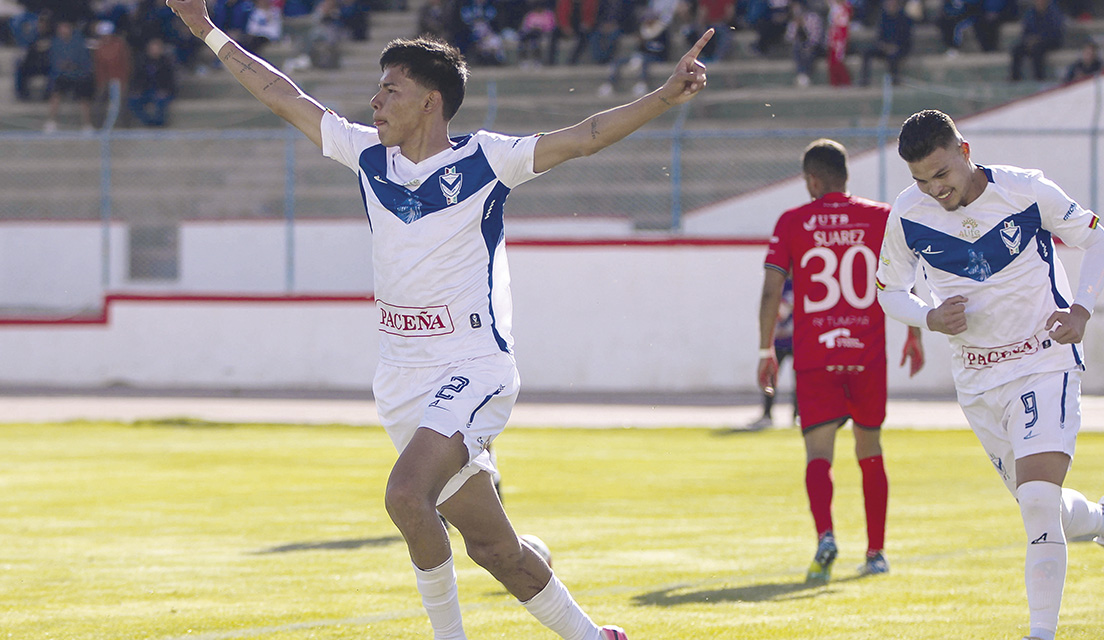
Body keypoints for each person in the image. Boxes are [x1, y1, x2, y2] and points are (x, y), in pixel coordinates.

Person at [166, 0, 713, 636]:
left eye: (390, 89)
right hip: (400, 379)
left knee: (405, 495)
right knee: (499, 552)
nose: (375, 101)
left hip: (473, 366)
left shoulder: (488, 160)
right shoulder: (369, 157)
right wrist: (206, 30)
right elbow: (282, 95)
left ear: (430, 100)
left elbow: (585, 136)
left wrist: (663, 97)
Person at [875, 110, 1104, 640]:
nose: (934, 189)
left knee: (1039, 502)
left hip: (1043, 359)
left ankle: (1040, 632)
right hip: (977, 378)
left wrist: (1082, 311)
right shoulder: (908, 214)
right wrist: (928, 316)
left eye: (941, 174)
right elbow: (888, 291)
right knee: (1042, 506)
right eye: (920, 180)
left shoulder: (1025, 191)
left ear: (965, 151)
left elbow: (1100, 242)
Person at [757, 139, 925, 583]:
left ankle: (826, 537)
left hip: (816, 357)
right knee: (870, 450)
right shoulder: (881, 216)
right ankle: (875, 553)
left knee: (819, 454)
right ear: (845, 175)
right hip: (865, 354)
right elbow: (903, 277)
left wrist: (766, 349)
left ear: (812, 180)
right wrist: (914, 332)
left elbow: (772, 290)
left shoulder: (793, 221)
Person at [745, 277, 794, 430]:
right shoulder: (778, 283)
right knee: (770, 377)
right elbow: (770, 307)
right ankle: (767, 413)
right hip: (778, 341)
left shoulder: (802, 283)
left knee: (800, 380)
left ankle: (797, 414)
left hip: (796, 340)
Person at [45, 20, 96, 133]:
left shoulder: (80, 41)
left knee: (84, 99)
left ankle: (87, 125)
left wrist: (74, 65)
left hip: (79, 76)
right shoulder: (55, 42)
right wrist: (62, 66)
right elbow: (53, 61)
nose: (62, 30)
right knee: (55, 94)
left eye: (65, 28)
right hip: (62, 75)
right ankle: (51, 122)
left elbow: (85, 61)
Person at [858, 0, 912, 87]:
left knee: (893, 57)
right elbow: (880, 37)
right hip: (885, 47)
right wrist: (884, 46)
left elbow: (906, 39)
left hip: (899, 48)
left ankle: (894, 81)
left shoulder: (904, 19)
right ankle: (864, 80)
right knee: (866, 52)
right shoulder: (884, 18)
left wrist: (895, 47)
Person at [1009, 0, 1063, 82]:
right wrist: (1028, 39)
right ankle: (1015, 78)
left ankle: (1039, 78)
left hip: (1049, 41)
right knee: (1017, 50)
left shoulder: (1053, 13)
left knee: (1037, 50)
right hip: (1031, 41)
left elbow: (1055, 32)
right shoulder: (1030, 13)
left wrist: (1039, 38)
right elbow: (1025, 31)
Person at [128, 37, 177, 126]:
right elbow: (137, 78)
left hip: (162, 91)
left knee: (160, 102)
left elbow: (170, 81)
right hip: (145, 91)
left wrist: (165, 91)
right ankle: (148, 122)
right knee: (133, 102)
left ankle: (159, 124)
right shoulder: (142, 62)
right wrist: (137, 90)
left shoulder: (166, 63)